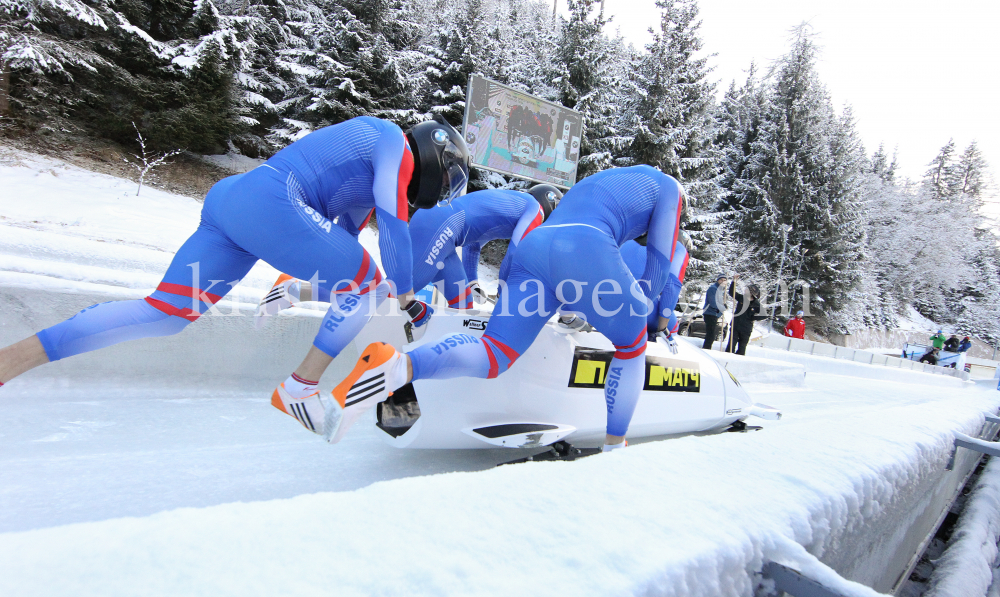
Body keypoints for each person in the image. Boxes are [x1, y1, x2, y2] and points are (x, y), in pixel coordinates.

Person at [0, 115, 470, 443]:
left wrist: (304, 289)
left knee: (165, 314)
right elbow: (393, 228)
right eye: (447, 180)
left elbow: (338, 264)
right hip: (273, 199)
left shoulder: (364, 183)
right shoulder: (392, 142)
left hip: (235, 201)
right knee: (371, 282)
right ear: (433, 154)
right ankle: (299, 388)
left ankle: (10, 362)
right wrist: (407, 297)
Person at [325, 165, 686, 452]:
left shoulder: (598, 181)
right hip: (585, 247)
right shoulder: (669, 188)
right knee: (633, 344)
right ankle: (614, 447)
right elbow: (658, 263)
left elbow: (535, 261)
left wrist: (521, 303)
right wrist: (643, 312)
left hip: (535, 251)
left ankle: (398, 365)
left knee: (495, 351)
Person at [256, 185, 562, 316]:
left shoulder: (514, 206)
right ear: (549, 209)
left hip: (446, 230)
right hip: (442, 227)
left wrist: (473, 282)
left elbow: (473, 247)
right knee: (395, 295)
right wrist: (508, 294)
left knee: (464, 308)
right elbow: (518, 254)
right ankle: (296, 289)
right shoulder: (533, 210)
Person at [725, 275, 765, 356]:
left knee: (742, 347)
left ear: (751, 293)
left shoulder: (756, 304)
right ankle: (727, 358)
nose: (745, 290)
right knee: (731, 345)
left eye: (747, 290)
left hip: (746, 328)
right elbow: (731, 292)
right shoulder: (741, 298)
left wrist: (753, 318)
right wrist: (734, 281)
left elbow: (764, 315)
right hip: (736, 325)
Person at [701, 274, 727, 350]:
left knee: (712, 334)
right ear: (718, 280)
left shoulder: (720, 290)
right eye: (721, 279)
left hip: (714, 314)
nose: (722, 281)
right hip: (710, 313)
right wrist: (722, 307)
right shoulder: (713, 289)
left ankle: (707, 348)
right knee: (711, 334)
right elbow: (713, 303)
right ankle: (706, 349)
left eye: (724, 280)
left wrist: (721, 309)